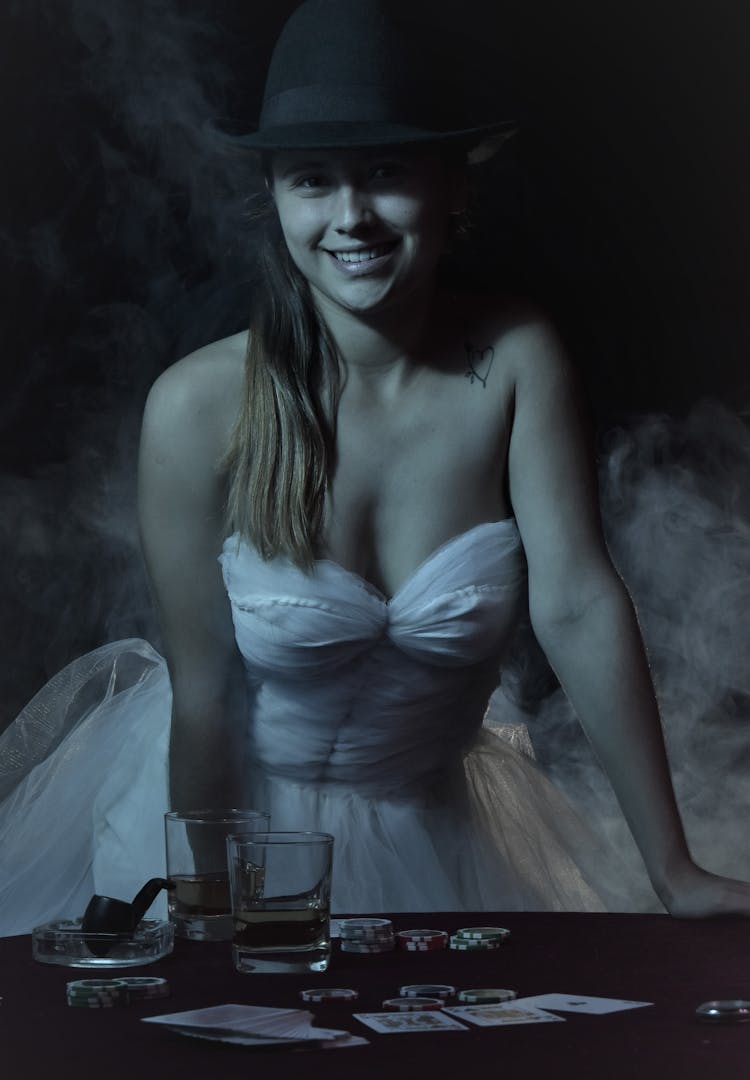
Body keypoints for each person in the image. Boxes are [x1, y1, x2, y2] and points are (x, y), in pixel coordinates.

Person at [1, 0, 749, 934]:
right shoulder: (195, 407)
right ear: (272, 197)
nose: (351, 215)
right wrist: (208, 906)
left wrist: (675, 871)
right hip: (218, 826)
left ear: (452, 188)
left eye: (385, 173)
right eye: (313, 180)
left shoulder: (516, 357)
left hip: (427, 832)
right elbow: (209, 691)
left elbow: (578, 605)